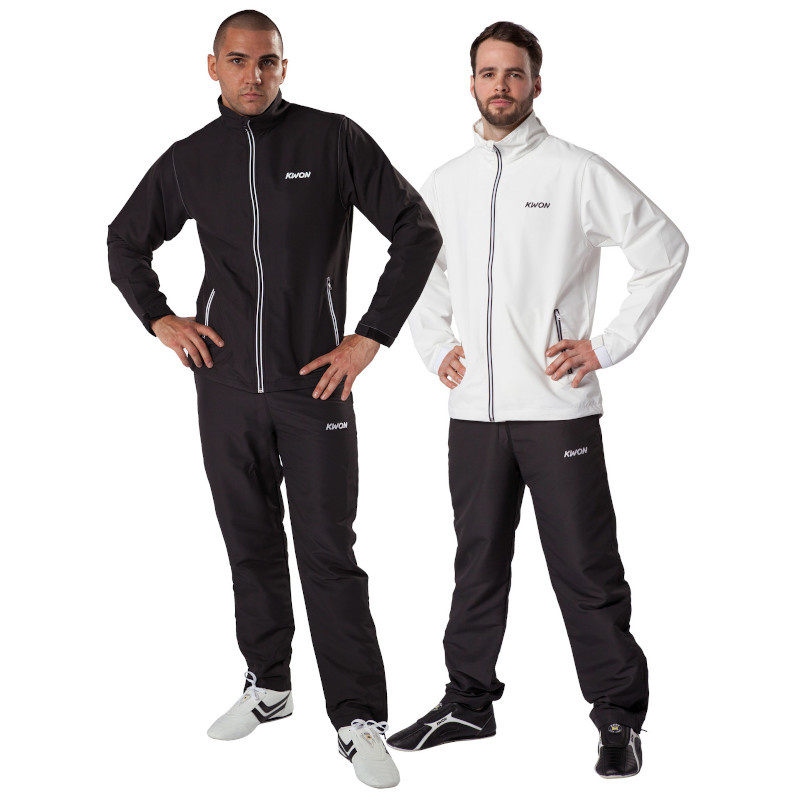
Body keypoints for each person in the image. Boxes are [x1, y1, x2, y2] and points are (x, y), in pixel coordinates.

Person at [107, 10, 440, 790]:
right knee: (249, 541)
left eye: (268, 62)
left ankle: (358, 718)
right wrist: (160, 319)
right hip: (224, 388)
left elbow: (416, 230)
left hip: (314, 384)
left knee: (328, 552)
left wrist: (369, 337)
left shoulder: (333, 140)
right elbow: (125, 241)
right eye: (238, 61)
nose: (253, 75)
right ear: (213, 67)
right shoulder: (191, 159)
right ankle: (269, 684)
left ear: (285, 67)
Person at [387, 21, 688, 779]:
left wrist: (607, 345)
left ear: (536, 83)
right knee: (477, 564)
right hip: (474, 415)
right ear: (471, 83)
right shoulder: (446, 181)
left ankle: (618, 717)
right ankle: (468, 702)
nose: (501, 86)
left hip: (557, 411)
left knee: (586, 569)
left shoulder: (575, 171)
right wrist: (435, 346)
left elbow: (664, 249)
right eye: (489, 73)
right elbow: (419, 270)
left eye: (515, 74)